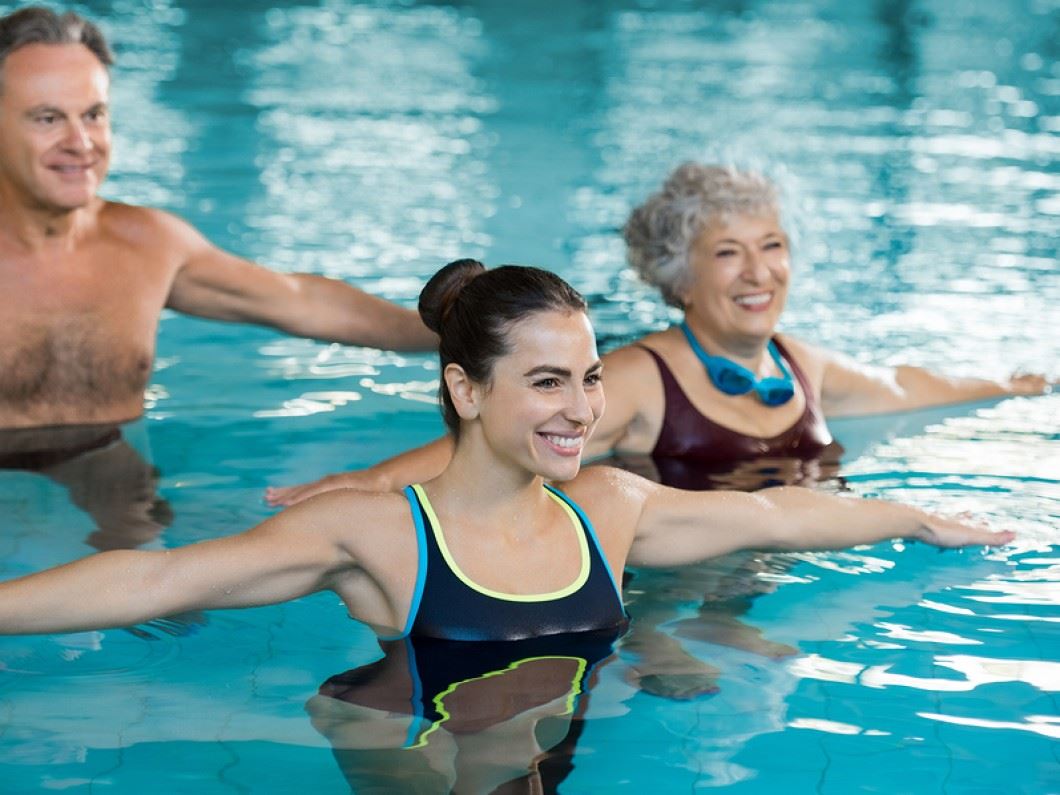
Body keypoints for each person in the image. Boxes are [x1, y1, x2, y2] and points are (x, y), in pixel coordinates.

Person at [0, 260, 1014, 785]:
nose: (579, 408)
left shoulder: (608, 512)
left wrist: (924, 518)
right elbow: (158, 581)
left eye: (584, 379)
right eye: (543, 383)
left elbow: (779, 520)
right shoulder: (383, 534)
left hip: (537, 752)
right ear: (467, 389)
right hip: (407, 744)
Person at [266, 162, 1049, 504]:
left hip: (782, 568)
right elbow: (485, 448)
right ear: (679, 276)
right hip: (667, 593)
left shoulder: (798, 362)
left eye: (772, 247)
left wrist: (1010, 388)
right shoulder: (637, 378)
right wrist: (354, 486)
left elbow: (904, 388)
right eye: (728, 253)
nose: (759, 273)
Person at [0, 6, 436, 433]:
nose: (81, 143)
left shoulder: (147, 245)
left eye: (94, 115)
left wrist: (456, 328)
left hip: (115, 482)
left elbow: (301, 299)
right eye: (48, 118)